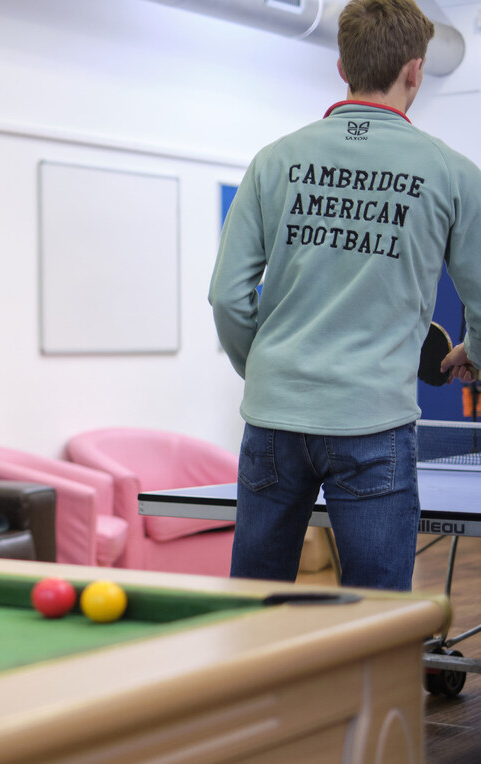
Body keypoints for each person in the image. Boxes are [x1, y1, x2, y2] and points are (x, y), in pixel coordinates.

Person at [208, 0, 481, 591]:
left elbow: (227, 297)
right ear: (416, 70)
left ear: (341, 66)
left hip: (274, 415)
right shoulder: (452, 172)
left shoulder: (273, 161)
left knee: (255, 602)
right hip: (373, 422)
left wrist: (262, 369)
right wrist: (473, 350)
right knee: (376, 617)